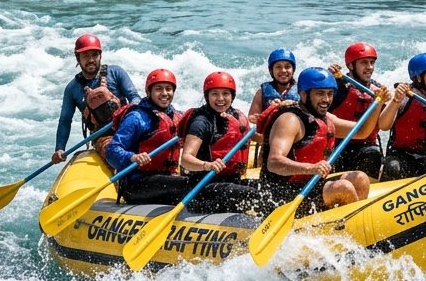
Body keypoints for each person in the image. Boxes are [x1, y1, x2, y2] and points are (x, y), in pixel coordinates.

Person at [258, 67, 386, 215]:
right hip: (283, 193)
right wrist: (310, 168)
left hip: (309, 185)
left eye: (330, 94)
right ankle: (352, 226)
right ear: (303, 94)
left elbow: (362, 132)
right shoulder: (290, 120)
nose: (326, 100)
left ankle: (352, 223)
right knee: (343, 188)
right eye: (320, 94)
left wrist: (378, 103)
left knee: (360, 179)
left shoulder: (325, 118)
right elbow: (273, 162)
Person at [105, 68, 190, 205]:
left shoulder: (178, 116)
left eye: (168, 89)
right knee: (187, 185)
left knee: (201, 183)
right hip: (137, 185)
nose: (164, 93)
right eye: (158, 89)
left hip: (166, 179)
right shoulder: (136, 118)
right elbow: (112, 151)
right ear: (148, 92)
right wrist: (132, 157)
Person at [179, 70, 256, 214]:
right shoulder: (201, 122)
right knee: (254, 194)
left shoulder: (236, 116)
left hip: (232, 181)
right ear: (207, 96)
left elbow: (256, 138)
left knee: (267, 188)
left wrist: (274, 115)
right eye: (215, 94)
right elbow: (186, 159)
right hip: (204, 188)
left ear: (232, 96)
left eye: (225, 94)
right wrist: (207, 165)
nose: (221, 98)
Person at [54, 34, 139, 163]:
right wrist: (60, 148)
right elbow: (65, 121)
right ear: (78, 58)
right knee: (113, 151)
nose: (91, 60)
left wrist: (130, 112)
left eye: (94, 55)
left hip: (128, 128)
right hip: (103, 137)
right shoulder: (72, 88)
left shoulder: (116, 73)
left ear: (100, 56)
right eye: (86, 56)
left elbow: (135, 97)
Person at [378, 52, 426, 180]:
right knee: (393, 166)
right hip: (404, 155)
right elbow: (383, 126)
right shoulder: (404, 97)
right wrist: (396, 101)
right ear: (419, 78)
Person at [327, 41, 383, 178]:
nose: (370, 67)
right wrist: (327, 77)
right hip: (337, 146)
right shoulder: (337, 86)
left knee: (373, 154)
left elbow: (385, 123)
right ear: (351, 66)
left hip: (365, 147)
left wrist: (394, 101)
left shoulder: (378, 90)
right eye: (364, 63)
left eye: (372, 63)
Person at [247, 48, 298, 122]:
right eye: (278, 67)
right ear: (271, 70)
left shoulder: (301, 91)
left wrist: (295, 105)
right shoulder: (261, 93)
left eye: (287, 67)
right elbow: (251, 119)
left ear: (293, 70)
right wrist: (268, 112)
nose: (283, 70)